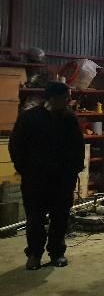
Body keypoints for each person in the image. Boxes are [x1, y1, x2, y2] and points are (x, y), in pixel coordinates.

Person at [10, 81, 85, 270]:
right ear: (53, 97)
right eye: (65, 97)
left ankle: (57, 252)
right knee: (35, 218)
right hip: (35, 179)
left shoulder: (69, 119)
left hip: (62, 179)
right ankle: (34, 254)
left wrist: (73, 170)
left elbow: (78, 146)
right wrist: (24, 169)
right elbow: (16, 145)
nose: (68, 101)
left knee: (60, 217)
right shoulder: (29, 118)